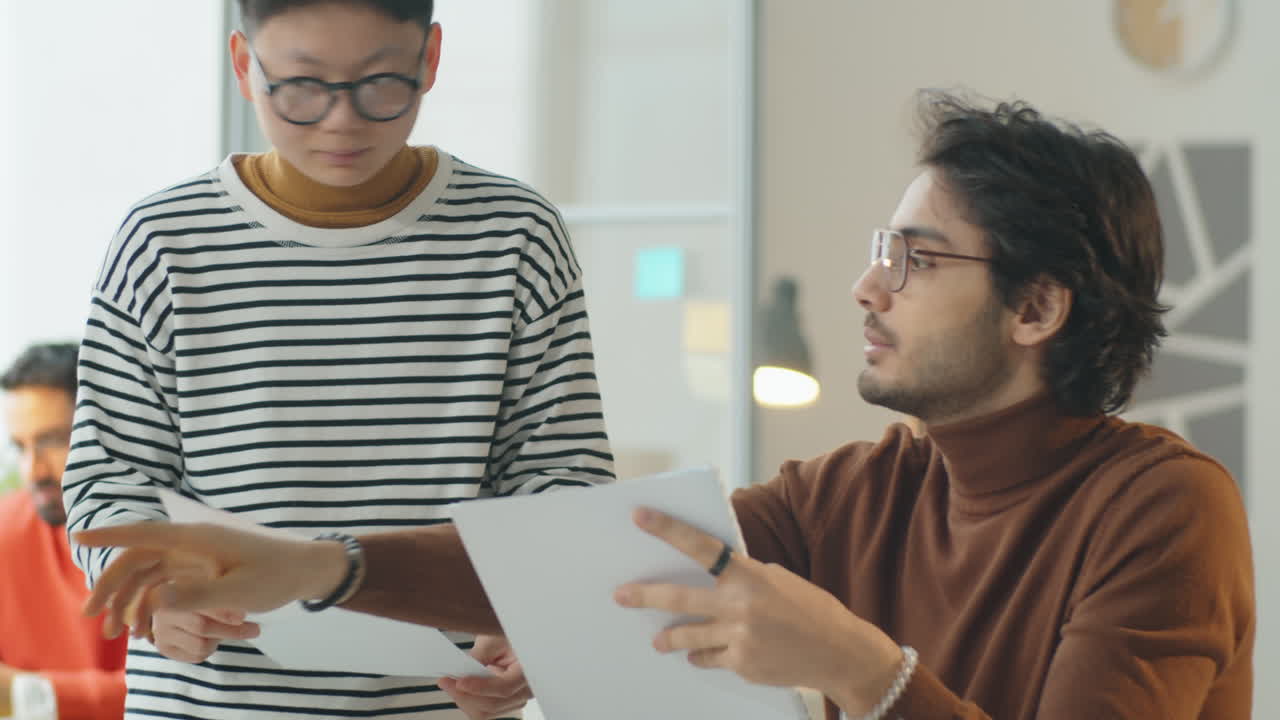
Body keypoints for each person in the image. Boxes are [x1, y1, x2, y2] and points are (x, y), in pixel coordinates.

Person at [74, 92, 1255, 719]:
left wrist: (863, 672)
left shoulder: (1161, 508)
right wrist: (315, 567)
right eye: (877, 248)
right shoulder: (865, 486)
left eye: (915, 258)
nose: (866, 285)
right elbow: (587, 564)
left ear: (1035, 308)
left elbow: (869, 678)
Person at [61, 1, 614, 718]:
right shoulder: (163, 241)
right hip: (209, 701)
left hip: (439, 702)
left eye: (381, 83)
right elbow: (108, 477)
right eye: (302, 87)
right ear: (244, 66)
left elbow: (563, 477)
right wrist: (157, 592)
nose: (341, 121)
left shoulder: (514, 235)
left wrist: (537, 620)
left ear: (430, 59)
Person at [1, 343, 126, 720]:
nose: (33, 471)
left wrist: (28, 695)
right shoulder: (6, 532)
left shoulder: (175, 538)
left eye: (53, 440)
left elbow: (184, 687)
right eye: (21, 447)